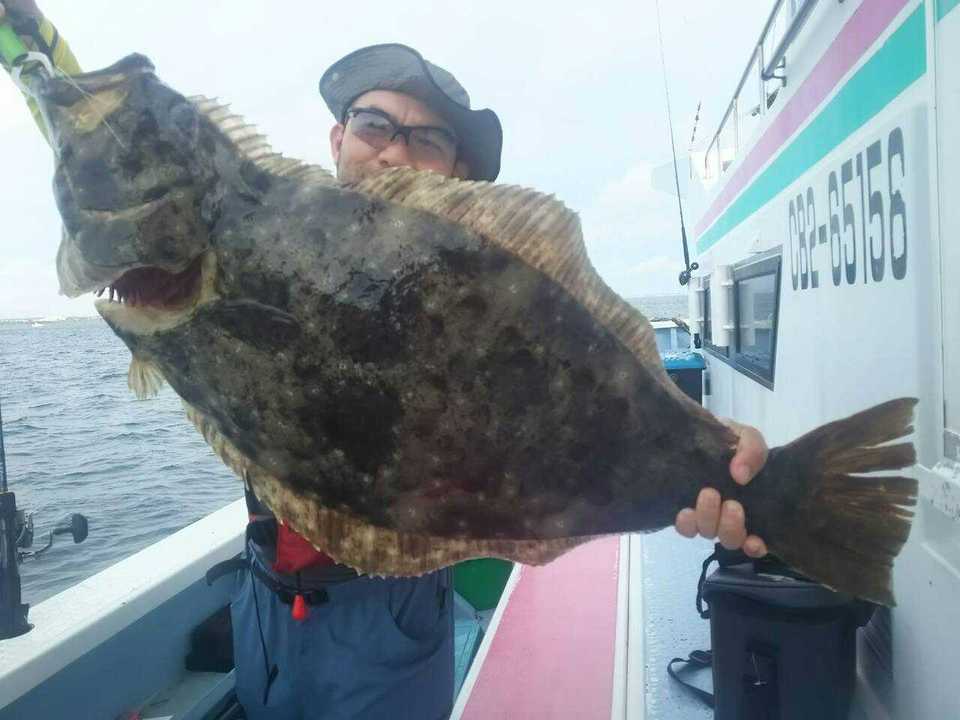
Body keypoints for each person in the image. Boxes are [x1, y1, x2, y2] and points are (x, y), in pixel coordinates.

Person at [1, 4, 770, 718]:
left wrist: (712, 456)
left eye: (427, 139)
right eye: (375, 124)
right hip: (265, 596)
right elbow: (121, 174)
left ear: (456, 177)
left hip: (389, 619)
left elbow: (579, 392)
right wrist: (38, 58)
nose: (395, 150)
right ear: (337, 140)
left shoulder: (462, 281)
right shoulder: (245, 227)